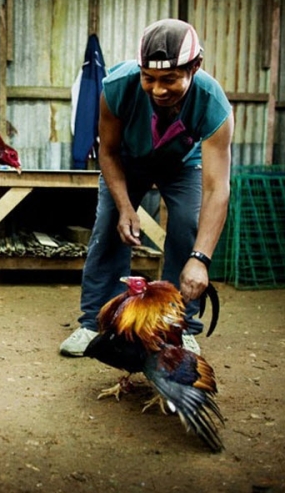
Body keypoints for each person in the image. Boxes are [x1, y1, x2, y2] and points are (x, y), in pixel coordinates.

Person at [60, 18, 234, 357]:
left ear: (195, 67)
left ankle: (177, 327)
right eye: (148, 78)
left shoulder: (213, 105)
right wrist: (125, 207)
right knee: (110, 226)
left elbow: (217, 190)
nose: (157, 89)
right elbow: (107, 152)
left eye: (169, 79)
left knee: (187, 225)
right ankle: (96, 325)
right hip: (128, 159)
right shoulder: (117, 86)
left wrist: (201, 259)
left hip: (184, 163)